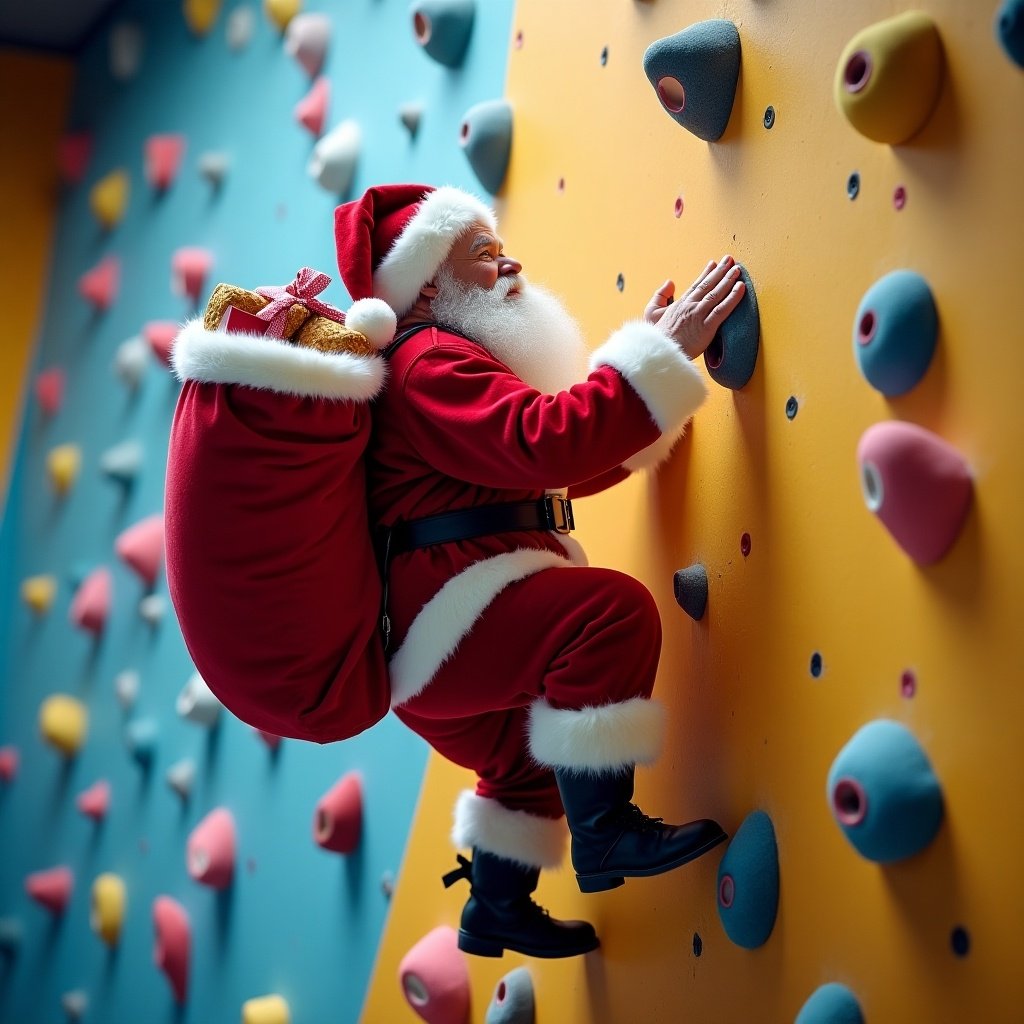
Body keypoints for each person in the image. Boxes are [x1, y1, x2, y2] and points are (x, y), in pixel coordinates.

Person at [332, 183, 747, 960]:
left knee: (526, 759)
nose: (511, 261)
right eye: (484, 254)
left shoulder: (441, 365)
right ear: (426, 285)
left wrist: (645, 377)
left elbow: (550, 473)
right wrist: (656, 359)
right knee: (609, 616)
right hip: (449, 620)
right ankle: (605, 832)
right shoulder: (428, 361)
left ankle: (496, 906)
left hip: (436, 652)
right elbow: (545, 443)